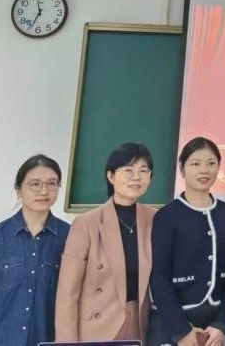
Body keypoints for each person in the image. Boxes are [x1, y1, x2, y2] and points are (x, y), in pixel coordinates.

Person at [0, 154, 71, 346]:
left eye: (52, 183)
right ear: (19, 190)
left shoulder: (69, 237)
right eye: (35, 184)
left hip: (45, 340)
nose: (44, 191)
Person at [55, 142, 156, 341]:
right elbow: (67, 293)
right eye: (128, 170)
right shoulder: (86, 223)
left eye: (143, 170)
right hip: (96, 328)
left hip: (139, 324)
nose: (136, 177)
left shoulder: (155, 219)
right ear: (111, 176)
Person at [148, 137, 225, 346]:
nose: (204, 170)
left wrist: (222, 323)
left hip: (212, 329)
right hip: (172, 324)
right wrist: (182, 331)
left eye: (211, 163)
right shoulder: (166, 216)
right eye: (195, 164)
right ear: (182, 168)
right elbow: (159, 277)